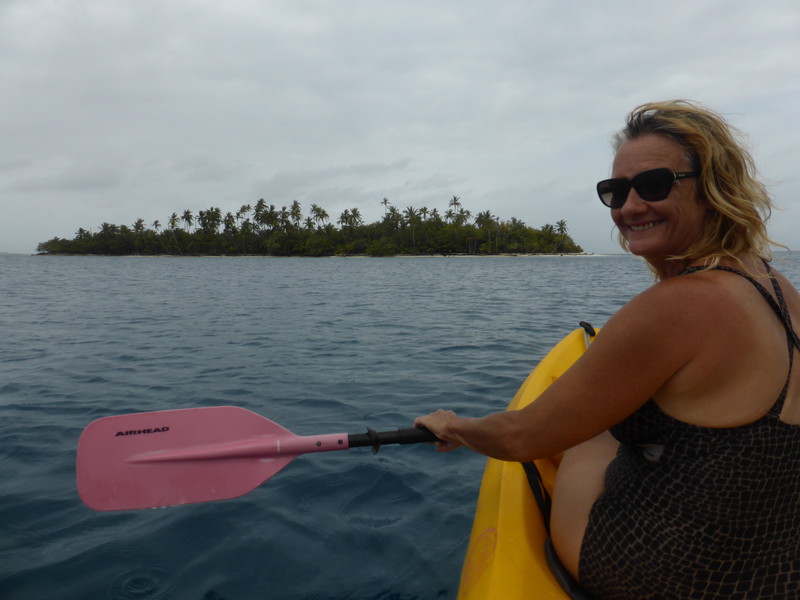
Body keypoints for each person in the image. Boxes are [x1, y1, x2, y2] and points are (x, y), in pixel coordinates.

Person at [415, 100, 800, 599]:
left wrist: (454, 426)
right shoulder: (776, 285)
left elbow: (520, 439)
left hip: (671, 576)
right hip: (775, 573)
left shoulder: (677, 306)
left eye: (655, 185)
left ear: (711, 187)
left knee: (586, 439)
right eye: (615, 191)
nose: (630, 206)